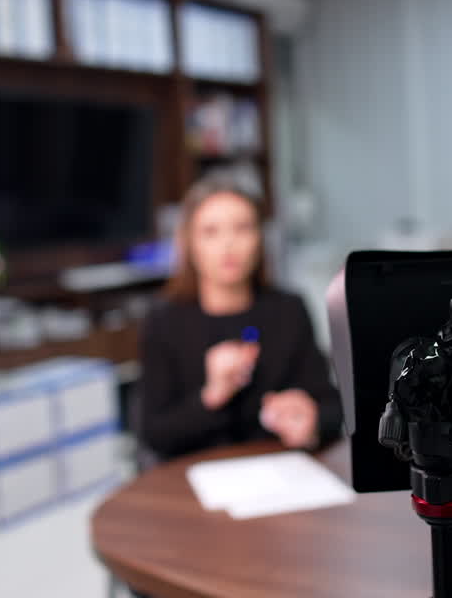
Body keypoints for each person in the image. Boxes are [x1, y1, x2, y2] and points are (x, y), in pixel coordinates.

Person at [138, 174, 343, 461]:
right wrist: (212, 395)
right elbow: (155, 434)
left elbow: (334, 408)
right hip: (194, 483)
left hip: (282, 471)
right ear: (190, 244)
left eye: (243, 228)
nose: (228, 244)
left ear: (260, 239)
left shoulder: (289, 310)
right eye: (211, 232)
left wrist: (311, 420)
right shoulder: (164, 321)